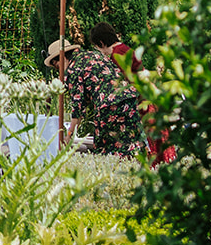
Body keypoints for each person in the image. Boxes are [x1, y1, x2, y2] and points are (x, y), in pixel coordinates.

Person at [53, 25, 146, 158]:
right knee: (131, 145)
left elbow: (78, 110)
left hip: (109, 106)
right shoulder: (92, 55)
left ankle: (112, 176)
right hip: (130, 98)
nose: (60, 71)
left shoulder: (72, 70)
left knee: (106, 150)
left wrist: (68, 136)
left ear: (62, 59)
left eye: (57, 66)